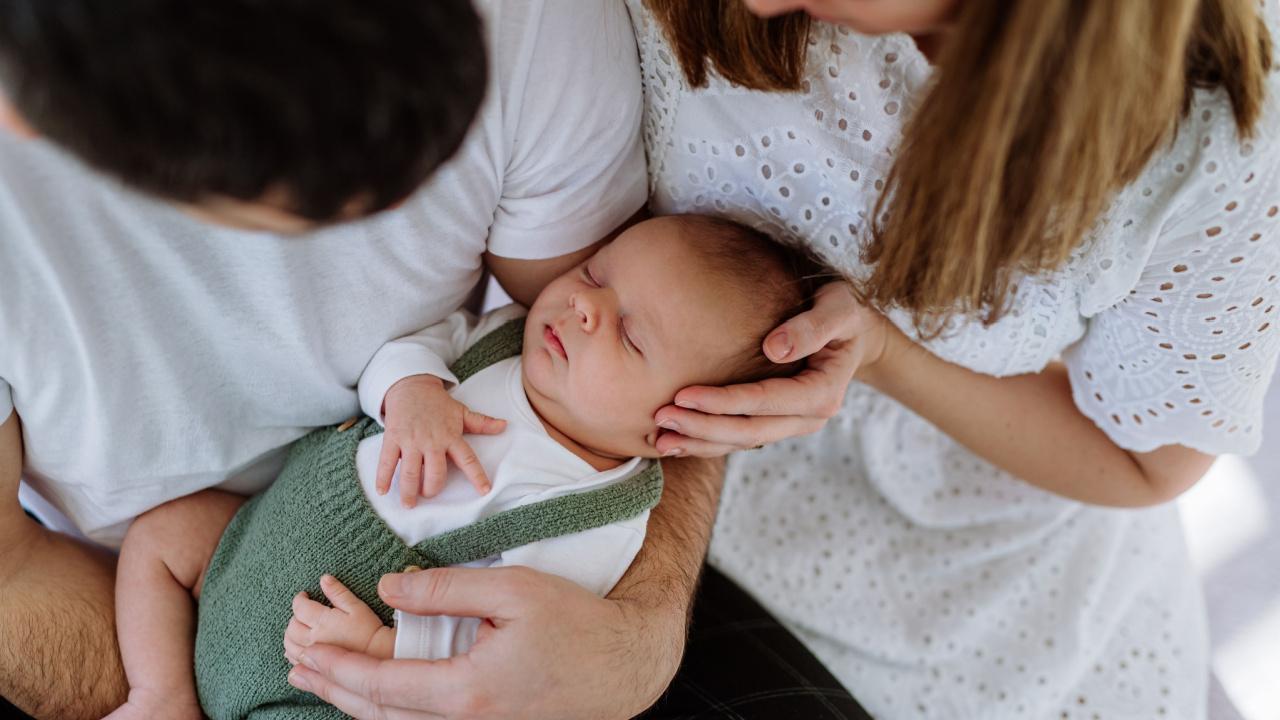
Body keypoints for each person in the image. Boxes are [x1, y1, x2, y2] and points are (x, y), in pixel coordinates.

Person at [0, 1, 720, 719]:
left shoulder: (533, 24)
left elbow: (666, 372)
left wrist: (638, 636)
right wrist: (171, 693)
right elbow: (10, 571)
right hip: (105, 609)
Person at [607, 0, 1275, 717]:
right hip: (620, 459)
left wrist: (883, 353)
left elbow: (1146, 461)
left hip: (979, 595)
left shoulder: (1220, 130)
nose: (761, 6)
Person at [105, 215, 811, 720]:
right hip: (249, 543)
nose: (584, 305)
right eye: (597, 274)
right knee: (165, 534)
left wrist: (383, 647)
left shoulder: (597, 515)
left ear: (676, 428)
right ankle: (160, 693)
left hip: (326, 669)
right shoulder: (499, 337)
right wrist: (411, 391)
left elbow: (498, 645)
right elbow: (413, 344)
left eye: (628, 333)